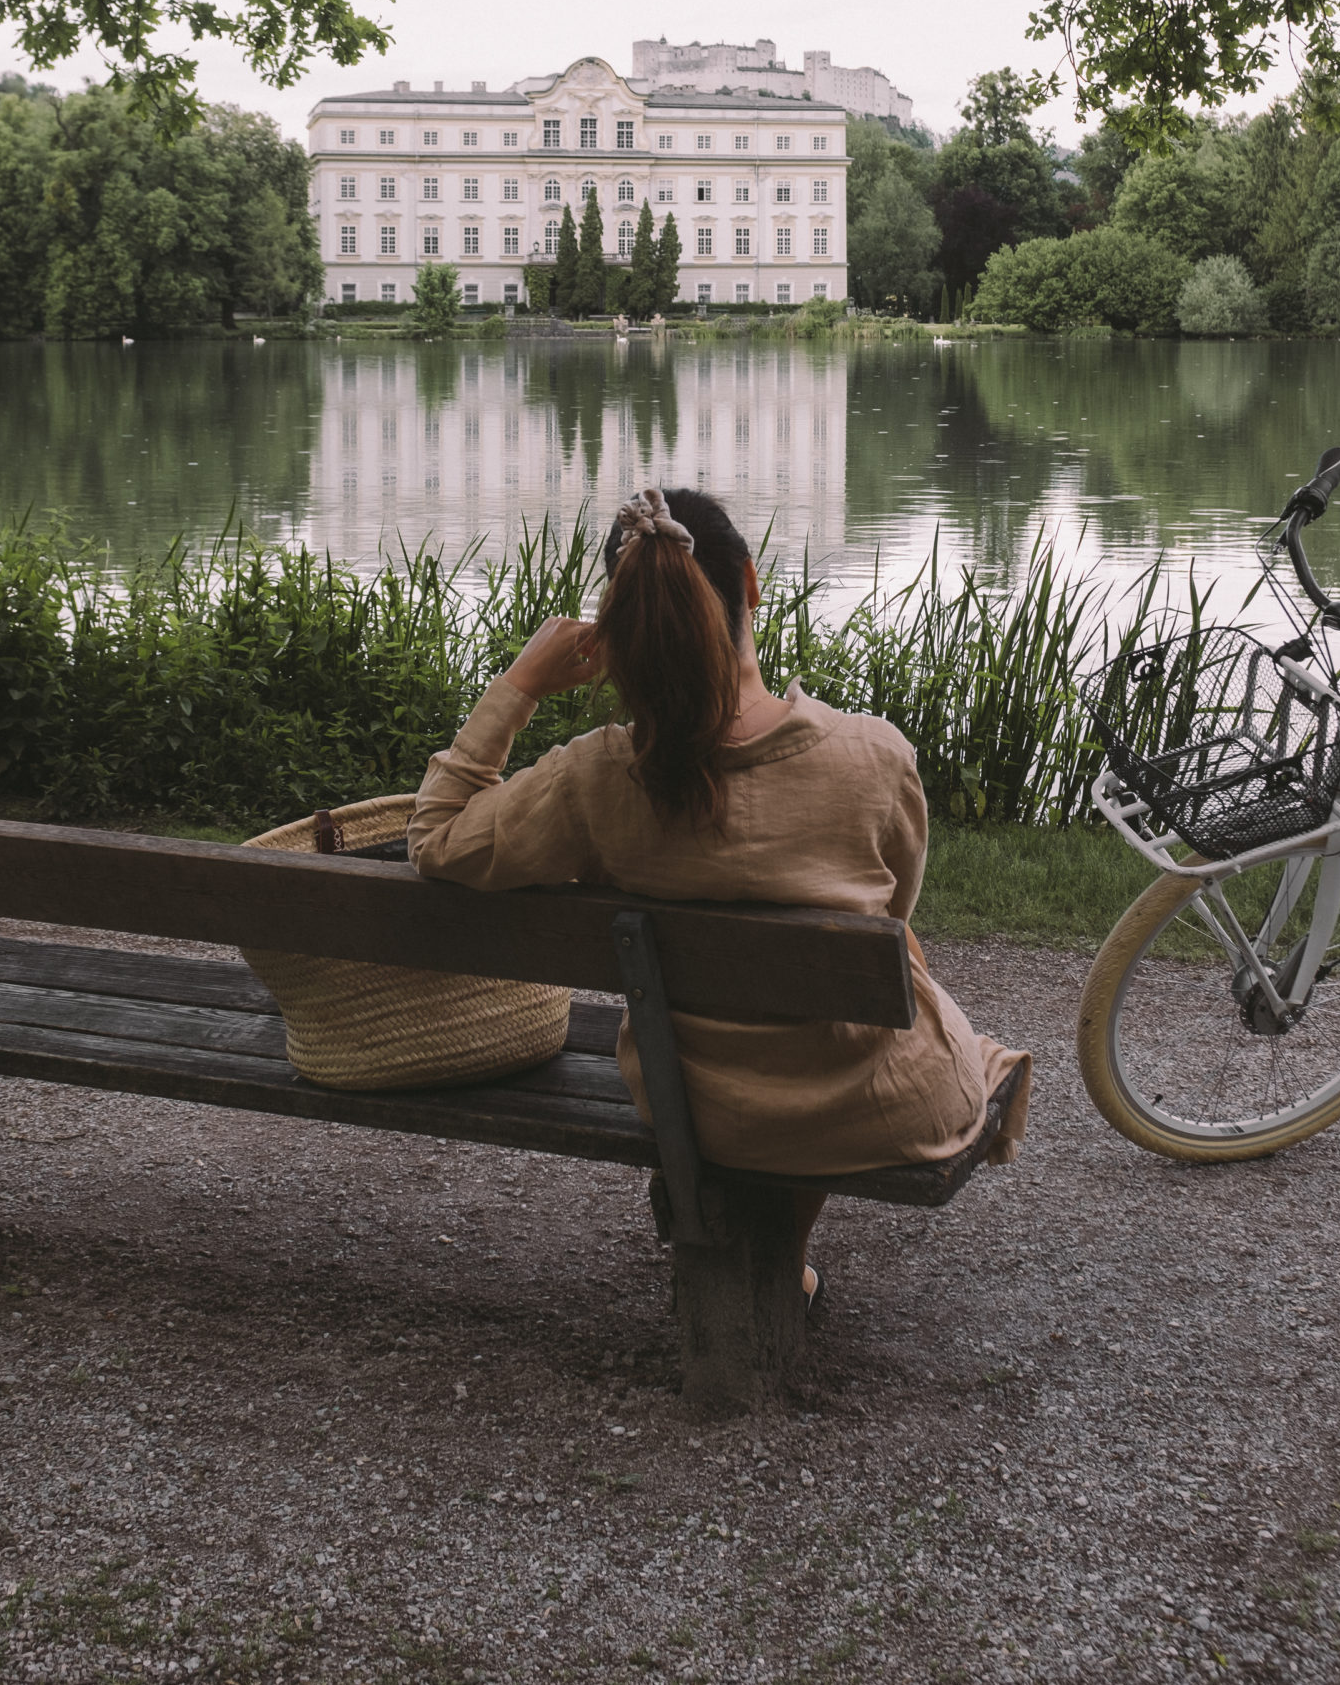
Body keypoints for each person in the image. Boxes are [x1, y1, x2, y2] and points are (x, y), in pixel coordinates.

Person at [408, 487, 1030, 1308]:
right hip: (866, 1104)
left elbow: (436, 840)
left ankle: (748, 1245)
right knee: (915, 992)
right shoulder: (873, 758)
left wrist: (520, 683)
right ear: (753, 585)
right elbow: (895, 914)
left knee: (783, 1030)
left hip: (691, 1099)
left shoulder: (595, 777)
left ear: (622, 630)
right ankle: (775, 1265)